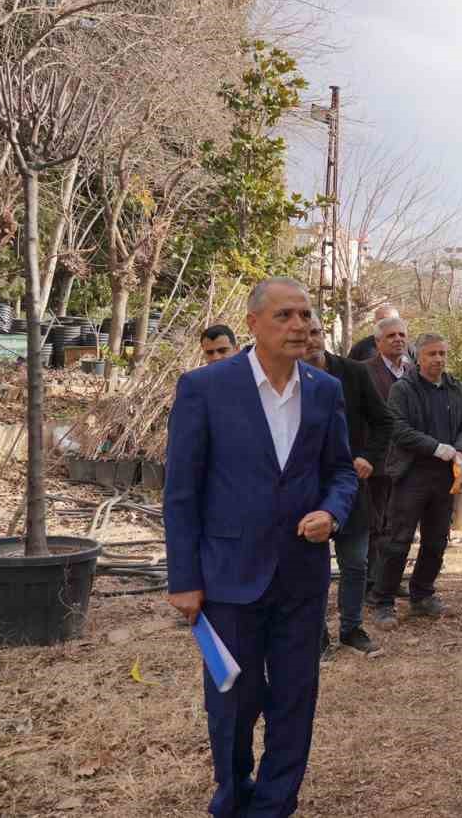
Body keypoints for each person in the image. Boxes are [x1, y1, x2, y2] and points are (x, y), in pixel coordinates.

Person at [163, 277, 357, 818]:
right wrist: (183, 578)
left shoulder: (323, 389)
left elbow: (341, 470)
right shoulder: (205, 388)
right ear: (253, 324)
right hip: (228, 576)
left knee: (295, 699)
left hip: (300, 577)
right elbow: (181, 491)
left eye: (305, 315)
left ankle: (275, 805)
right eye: (285, 316)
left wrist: (332, 511)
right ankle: (232, 797)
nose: (299, 325)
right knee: (233, 701)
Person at [372, 332, 462, 627]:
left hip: (445, 477)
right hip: (412, 474)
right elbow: (398, 428)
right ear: (419, 357)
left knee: (436, 539)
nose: (438, 359)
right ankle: (384, 601)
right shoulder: (404, 389)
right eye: (432, 354)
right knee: (398, 540)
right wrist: (435, 447)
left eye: (442, 353)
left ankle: (422, 595)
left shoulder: (456, 388)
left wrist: (459, 449)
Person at [303, 318, 392, 655]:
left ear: (324, 335)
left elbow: (383, 421)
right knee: (313, 568)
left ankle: (352, 628)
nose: (310, 340)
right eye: (305, 334)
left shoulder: (353, 373)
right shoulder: (287, 377)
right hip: (307, 491)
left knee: (355, 563)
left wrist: (369, 456)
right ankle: (318, 635)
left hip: (351, 486)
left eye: (316, 332)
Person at [361, 315, 413, 593]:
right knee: (375, 523)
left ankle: (391, 579)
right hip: (377, 460)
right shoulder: (363, 371)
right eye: (391, 335)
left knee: (399, 523)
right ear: (377, 342)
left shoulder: (413, 371)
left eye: (402, 335)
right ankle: (373, 582)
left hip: (407, 461)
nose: (398, 339)